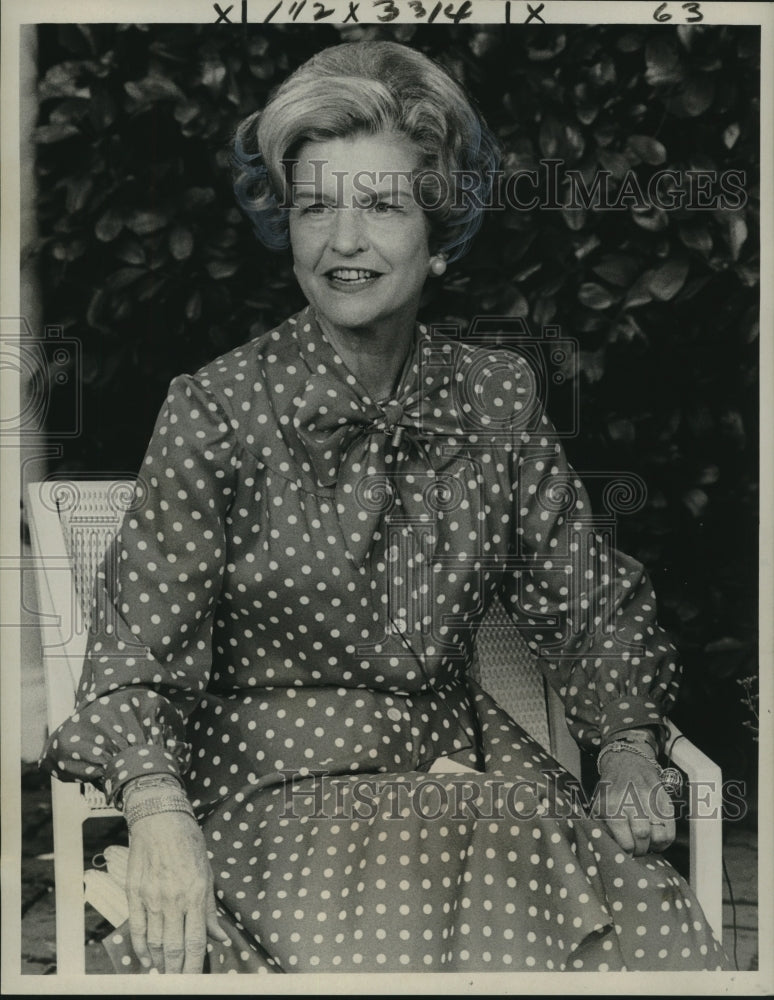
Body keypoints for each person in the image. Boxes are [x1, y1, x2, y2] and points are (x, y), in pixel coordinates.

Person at [41, 40, 730, 975]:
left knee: (642, 933)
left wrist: (626, 748)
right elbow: (134, 654)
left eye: (381, 205)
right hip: (276, 799)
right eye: (316, 205)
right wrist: (158, 812)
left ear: (439, 236)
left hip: (466, 784)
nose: (344, 240)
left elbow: (586, 602)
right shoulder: (214, 408)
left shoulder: (494, 400)